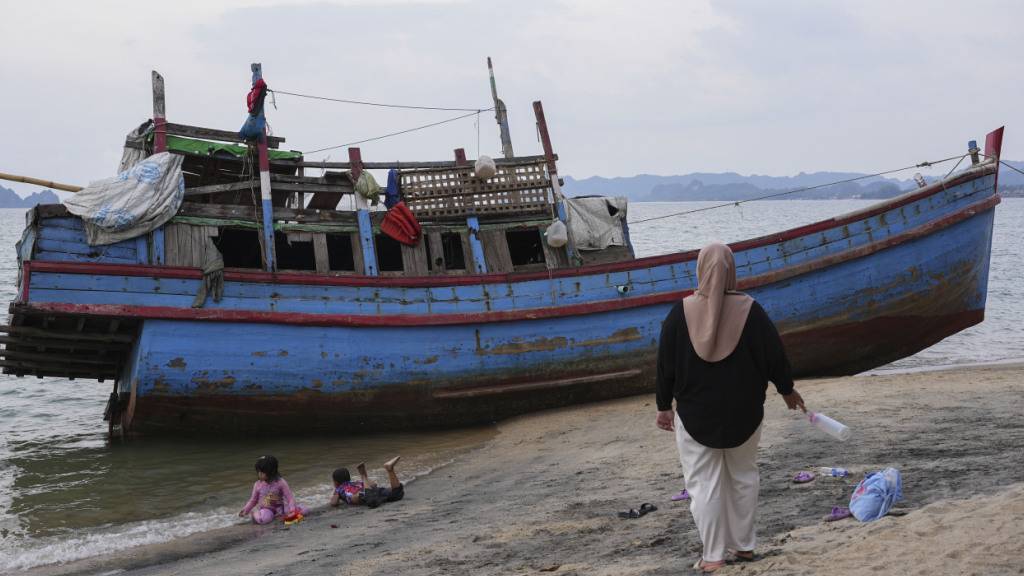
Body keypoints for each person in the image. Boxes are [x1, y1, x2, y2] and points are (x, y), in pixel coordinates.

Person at [655, 242, 805, 573]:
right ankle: (745, 547)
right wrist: (787, 390)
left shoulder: (679, 313)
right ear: (732, 270)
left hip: (695, 416)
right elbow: (775, 357)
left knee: (704, 484)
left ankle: (712, 556)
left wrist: (663, 406)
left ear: (700, 269)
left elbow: (665, 364)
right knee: (743, 477)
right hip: (745, 414)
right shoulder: (752, 311)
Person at [238, 455, 307, 524]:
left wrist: (292, 510)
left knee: (304, 511)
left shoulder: (280, 482)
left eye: (262, 472)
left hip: (280, 508)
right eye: (258, 471)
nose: (260, 474)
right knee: (264, 519)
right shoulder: (258, 484)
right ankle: (255, 513)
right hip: (266, 509)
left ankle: (292, 511)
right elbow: (253, 500)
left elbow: (290, 498)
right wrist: (245, 510)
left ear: (271, 471)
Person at [330, 456, 404, 508]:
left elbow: (334, 503)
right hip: (375, 491)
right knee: (397, 494)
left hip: (364, 496)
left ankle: (363, 475)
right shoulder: (356, 483)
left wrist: (336, 495)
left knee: (372, 502)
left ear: (336, 482)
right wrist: (365, 480)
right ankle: (390, 470)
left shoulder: (339, 489)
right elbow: (374, 485)